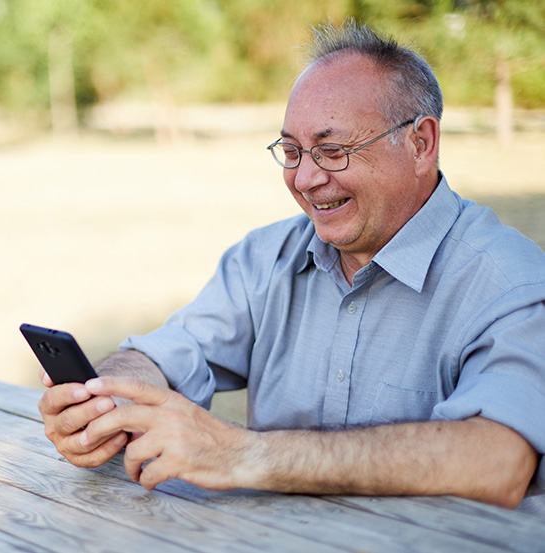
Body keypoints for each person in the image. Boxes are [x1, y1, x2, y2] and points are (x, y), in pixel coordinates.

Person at [38, 20, 545, 515]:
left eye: (332, 151)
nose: (304, 179)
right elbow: (174, 351)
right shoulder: (265, 257)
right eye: (292, 151)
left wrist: (245, 454)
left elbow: (499, 460)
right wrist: (103, 395)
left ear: (420, 144)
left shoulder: (509, 281)